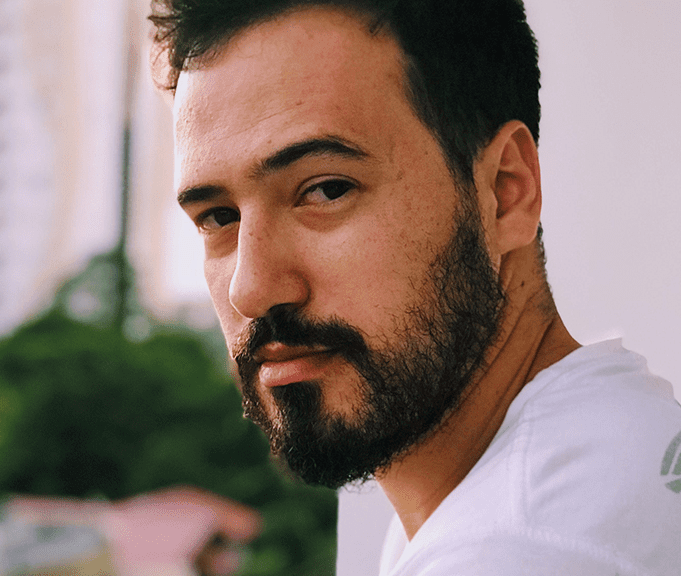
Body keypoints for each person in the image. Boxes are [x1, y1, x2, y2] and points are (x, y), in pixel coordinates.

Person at [148, 0, 681, 574]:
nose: (251, 291)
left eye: (326, 190)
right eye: (218, 218)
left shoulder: (521, 549)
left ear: (505, 191)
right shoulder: (621, 440)